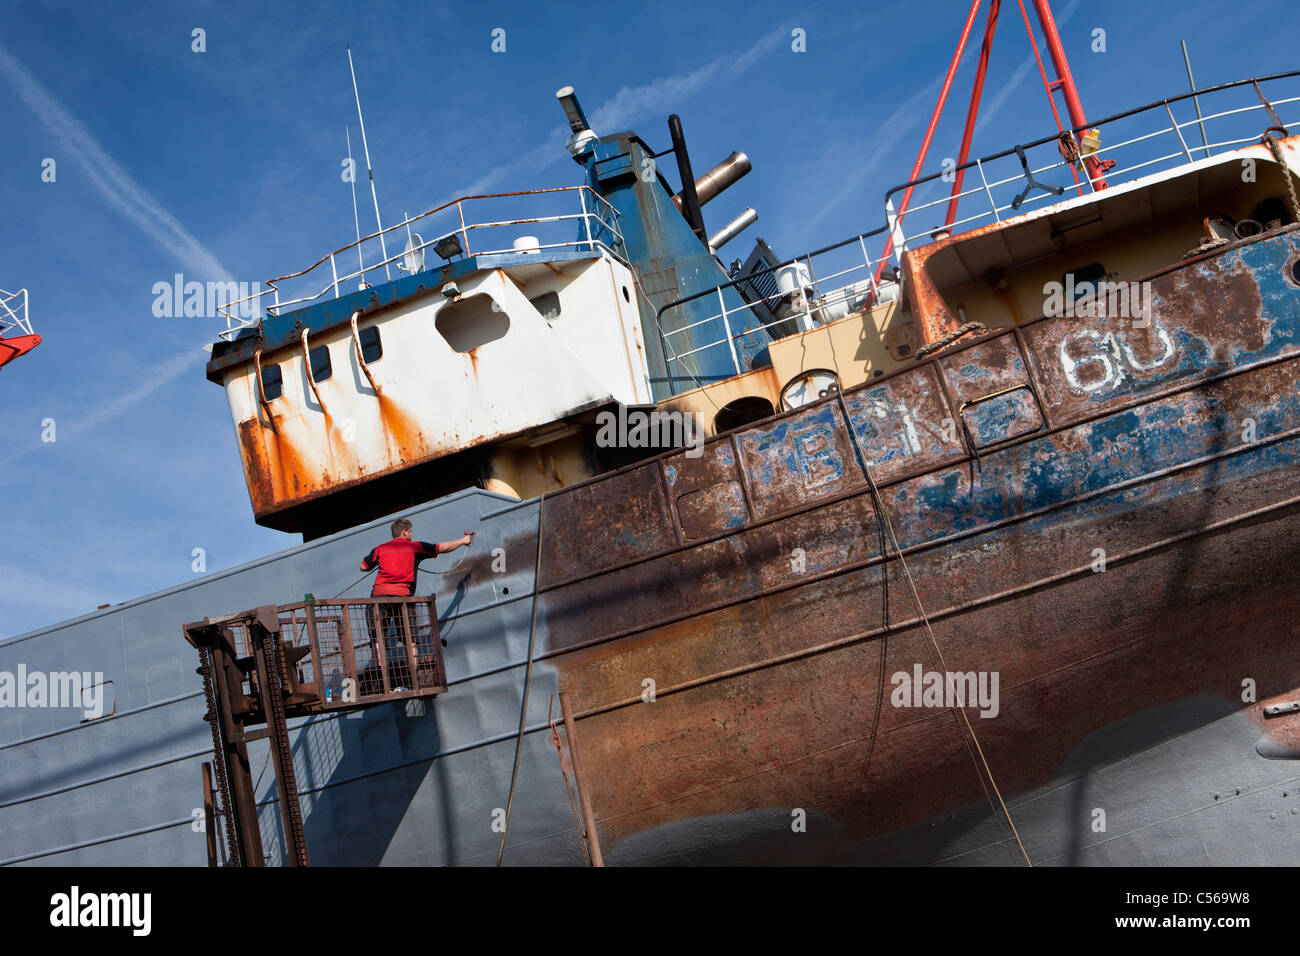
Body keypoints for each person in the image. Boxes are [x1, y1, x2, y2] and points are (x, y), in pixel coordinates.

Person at [359, 518, 473, 691]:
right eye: (411, 532)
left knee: (378, 641)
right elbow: (442, 548)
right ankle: (415, 681)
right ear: (405, 532)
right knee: (410, 641)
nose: (412, 535)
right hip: (404, 598)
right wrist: (464, 541)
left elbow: (363, 566)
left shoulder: (381, 549)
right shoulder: (414, 547)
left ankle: (383, 683)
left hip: (379, 599)